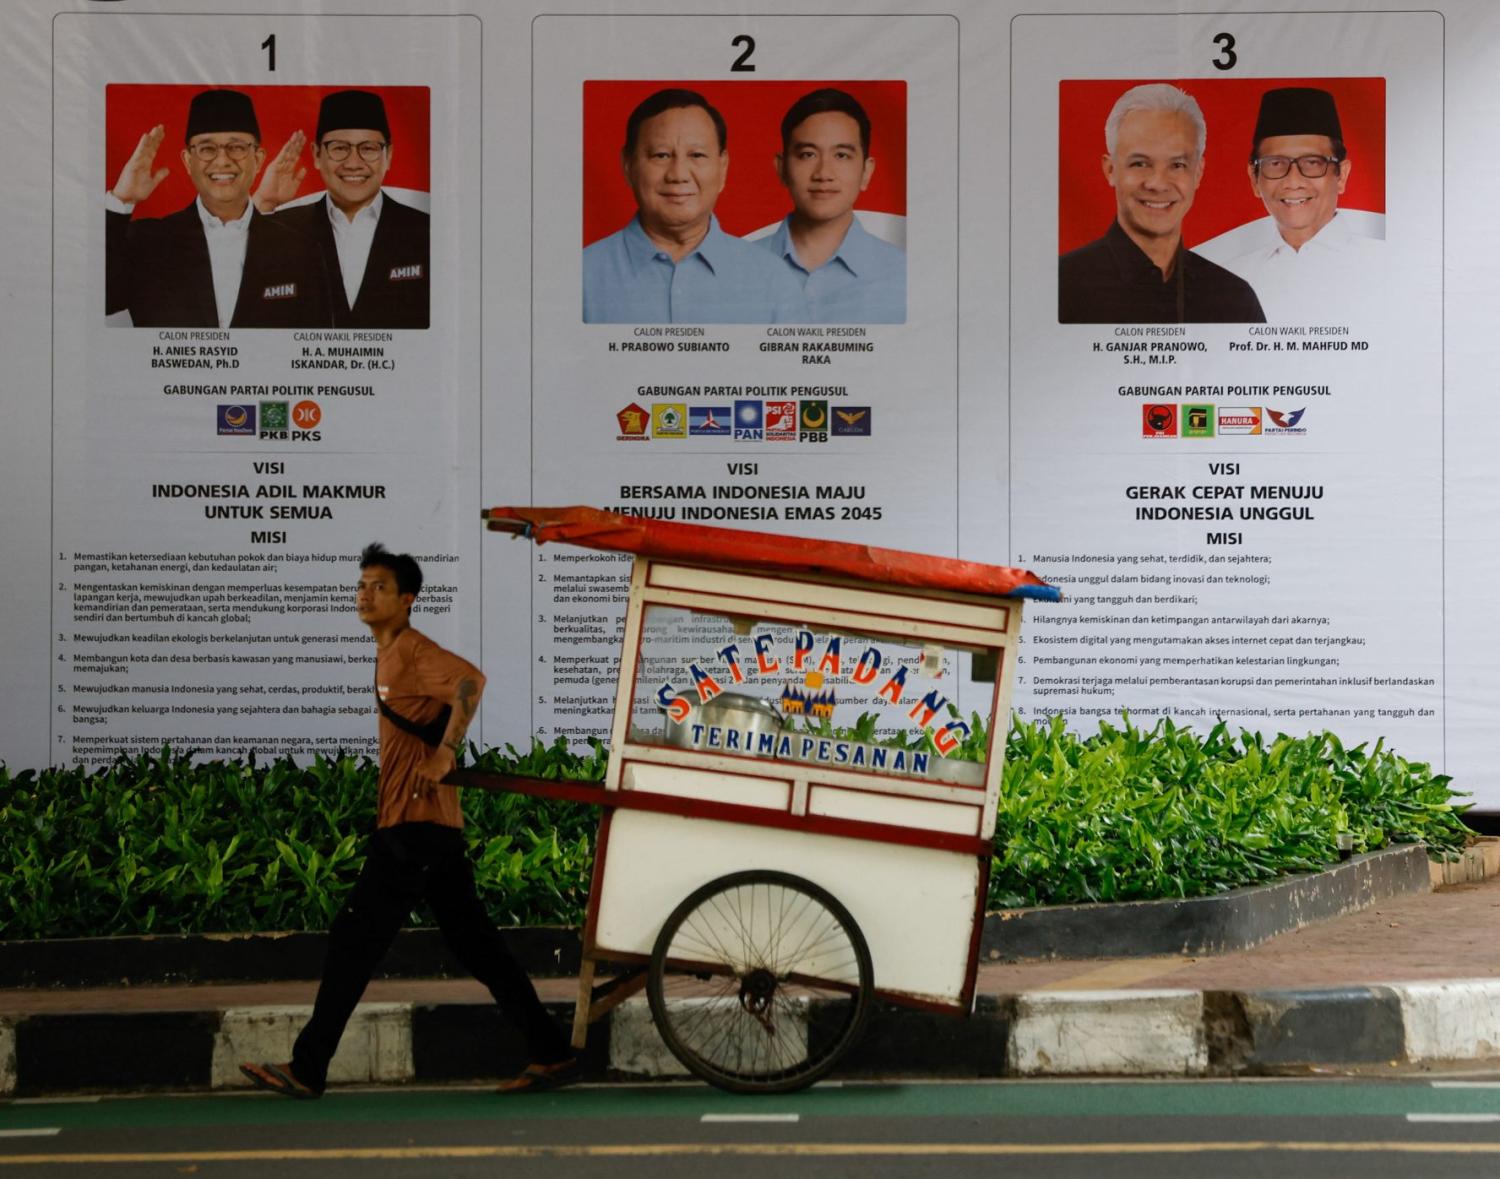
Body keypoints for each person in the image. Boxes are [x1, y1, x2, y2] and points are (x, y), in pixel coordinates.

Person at [240, 543, 577, 1098]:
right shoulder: (387, 652)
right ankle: (551, 1051)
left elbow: (471, 680)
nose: (366, 595)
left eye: (379, 587)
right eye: (362, 585)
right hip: (425, 826)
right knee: (476, 946)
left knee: (354, 938)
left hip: (414, 827)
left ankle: (307, 1068)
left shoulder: (414, 651)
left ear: (407, 600)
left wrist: (445, 752)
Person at [105, 88, 331, 328]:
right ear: (188, 161)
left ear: (258, 159)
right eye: (207, 148)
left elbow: (316, 343)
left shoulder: (300, 249)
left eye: (236, 147)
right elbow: (103, 300)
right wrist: (122, 199)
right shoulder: (144, 241)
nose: (222, 160)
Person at [582, 88, 806, 324]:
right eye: (661, 155)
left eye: (697, 155)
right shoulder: (580, 277)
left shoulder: (773, 279)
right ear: (628, 166)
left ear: (723, 167)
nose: (678, 175)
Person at [1058, 82, 1264, 324]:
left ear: (1198, 173)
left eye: (1177, 165)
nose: (1158, 183)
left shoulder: (1233, 298)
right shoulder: (1060, 287)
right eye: (1140, 163)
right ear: (1110, 169)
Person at [1201, 87, 1383, 322]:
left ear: (1342, 175)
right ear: (1255, 179)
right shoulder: (1231, 280)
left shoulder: (1386, 266)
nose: (1293, 181)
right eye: (1276, 163)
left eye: (1312, 163)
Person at [263, 90, 430, 329]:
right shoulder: (280, 227)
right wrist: (264, 204)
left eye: (369, 148)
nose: (353, 163)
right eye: (339, 148)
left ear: (389, 156)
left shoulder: (426, 232)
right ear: (317, 155)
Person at [758, 88, 905, 324]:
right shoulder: (736, 270)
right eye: (807, 154)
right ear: (782, 168)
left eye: (842, 156)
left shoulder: (904, 274)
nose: (824, 173)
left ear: (866, 171)